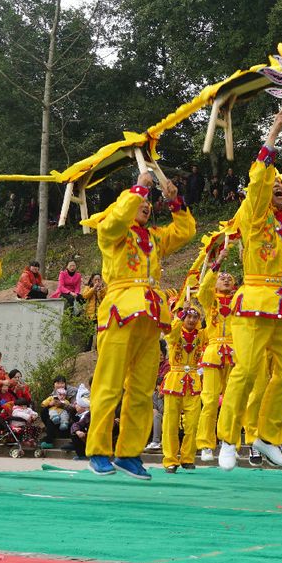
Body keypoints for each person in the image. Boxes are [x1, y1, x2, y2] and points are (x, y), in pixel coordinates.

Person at [216, 108, 282, 471]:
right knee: (245, 371)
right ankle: (228, 439)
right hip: (256, 302)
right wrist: (275, 129)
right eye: (273, 183)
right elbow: (259, 181)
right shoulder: (253, 215)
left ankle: (267, 436)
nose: (278, 185)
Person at [83, 170, 195, 481]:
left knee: (143, 389)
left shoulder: (155, 237)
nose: (145, 204)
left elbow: (186, 231)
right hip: (119, 312)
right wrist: (139, 187)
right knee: (109, 384)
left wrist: (174, 200)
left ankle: (128, 452)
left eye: (148, 202)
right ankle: (98, 450)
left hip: (150, 316)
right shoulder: (111, 231)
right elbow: (117, 219)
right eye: (140, 202)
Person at [196, 267, 236, 462]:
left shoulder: (240, 301)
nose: (226, 279)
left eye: (229, 278)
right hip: (213, 352)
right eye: (222, 278)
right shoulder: (210, 300)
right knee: (210, 400)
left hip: (235, 352)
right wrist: (215, 268)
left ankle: (229, 441)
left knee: (232, 401)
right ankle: (205, 444)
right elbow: (202, 289)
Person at [161, 307, 206, 473]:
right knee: (170, 423)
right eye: (189, 316)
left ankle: (188, 458)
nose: (192, 320)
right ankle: (170, 460)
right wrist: (180, 314)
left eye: (195, 317)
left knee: (193, 423)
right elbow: (171, 334)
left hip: (193, 382)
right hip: (174, 381)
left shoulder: (201, 335)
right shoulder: (175, 333)